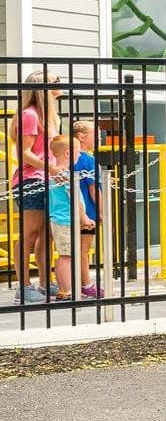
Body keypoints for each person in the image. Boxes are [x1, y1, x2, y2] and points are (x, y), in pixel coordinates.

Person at [7, 69, 57, 304]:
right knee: (30, 234)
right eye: (56, 81)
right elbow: (24, 153)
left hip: (48, 179)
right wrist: (52, 168)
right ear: (42, 88)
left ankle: (45, 283)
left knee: (47, 234)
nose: (61, 85)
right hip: (32, 180)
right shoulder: (30, 115)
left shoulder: (48, 115)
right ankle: (24, 286)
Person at [71, 119, 101, 299]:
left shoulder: (69, 158)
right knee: (84, 249)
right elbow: (93, 188)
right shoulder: (88, 159)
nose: (98, 138)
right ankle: (86, 284)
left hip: (69, 210)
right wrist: (102, 211)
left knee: (71, 249)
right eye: (94, 135)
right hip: (88, 210)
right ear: (81, 137)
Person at [46, 136, 76, 301]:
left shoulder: (55, 174)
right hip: (64, 219)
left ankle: (64, 288)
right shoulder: (64, 175)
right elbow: (73, 198)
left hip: (60, 219)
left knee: (65, 255)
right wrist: (84, 217)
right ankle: (66, 290)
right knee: (66, 256)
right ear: (68, 153)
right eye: (77, 152)